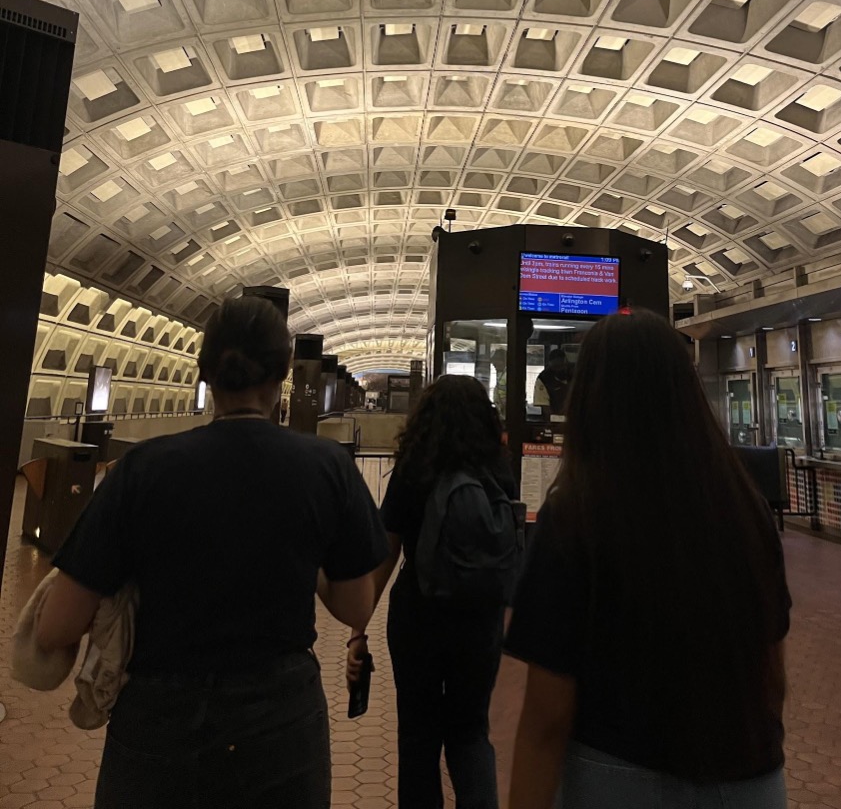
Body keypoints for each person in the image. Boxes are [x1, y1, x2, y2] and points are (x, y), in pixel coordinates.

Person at [34, 296, 388, 809]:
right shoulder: (326, 467)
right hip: (281, 722)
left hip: (159, 723)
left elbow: (55, 628)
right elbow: (356, 607)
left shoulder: (141, 470)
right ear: (283, 374)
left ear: (204, 373)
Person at [506, 309, 791, 809]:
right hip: (752, 779)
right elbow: (773, 676)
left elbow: (547, 717)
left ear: (591, 396)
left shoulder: (576, 514)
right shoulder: (744, 509)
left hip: (617, 777)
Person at [349, 375, 518, 809]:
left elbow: (385, 555)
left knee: (418, 735)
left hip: (417, 617)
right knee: (470, 733)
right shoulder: (498, 470)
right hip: (479, 621)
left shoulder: (414, 468)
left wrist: (358, 628)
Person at [531, 349, 573, 415]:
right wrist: (555, 419)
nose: (559, 369)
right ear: (550, 365)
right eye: (555, 367)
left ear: (566, 363)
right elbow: (544, 405)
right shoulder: (544, 379)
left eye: (561, 366)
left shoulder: (575, 375)